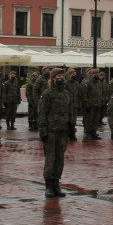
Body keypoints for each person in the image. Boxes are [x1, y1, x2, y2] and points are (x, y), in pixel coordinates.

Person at [38, 68, 75, 197]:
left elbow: (71, 112)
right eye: (58, 75)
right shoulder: (47, 93)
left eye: (62, 75)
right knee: (50, 159)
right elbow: (42, 113)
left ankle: (56, 184)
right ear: (53, 78)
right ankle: (48, 186)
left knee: (59, 159)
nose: (60, 78)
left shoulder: (66, 93)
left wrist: (72, 130)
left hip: (63, 131)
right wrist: (43, 131)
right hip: (51, 131)